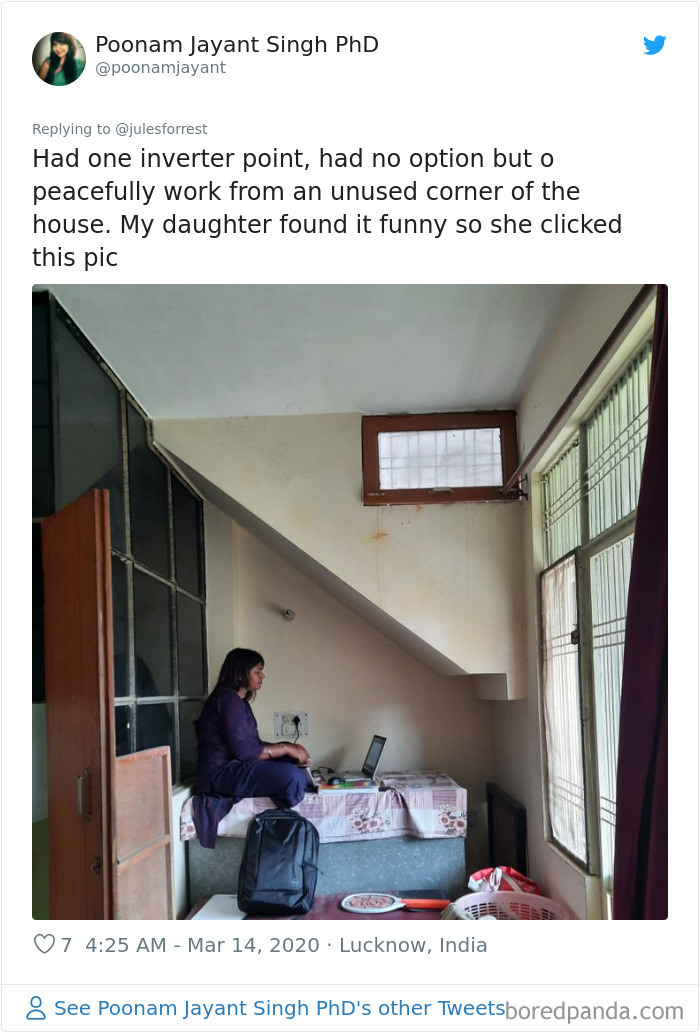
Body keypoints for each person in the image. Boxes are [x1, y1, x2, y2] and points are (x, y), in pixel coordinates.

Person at [192, 648, 311, 848]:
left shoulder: (239, 702)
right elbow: (245, 751)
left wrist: (289, 749)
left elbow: (252, 744)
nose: (262, 675)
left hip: (234, 767)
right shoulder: (227, 699)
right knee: (291, 776)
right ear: (240, 673)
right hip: (219, 775)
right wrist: (284, 747)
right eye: (257, 671)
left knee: (290, 763)